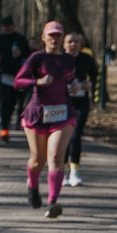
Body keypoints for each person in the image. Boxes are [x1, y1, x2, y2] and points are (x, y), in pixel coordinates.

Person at [14, 21, 77, 218]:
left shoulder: (68, 60)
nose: (55, 39)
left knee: (56, 157)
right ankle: (32, 186)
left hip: (63, 113)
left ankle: (53, 202)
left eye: (58, 35)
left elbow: (70, 81)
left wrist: (75, 87)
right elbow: (18, 81)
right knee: (37, 160)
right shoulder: (37, 57)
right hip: (37, 114)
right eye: (51, 35)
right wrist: (37, 81)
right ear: (44, 37)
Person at [63, 32, 98, 186]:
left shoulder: (86, 59)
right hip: (61, 102)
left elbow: (95, 75)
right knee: (62, 137)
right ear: (64, 44)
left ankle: (74, 171)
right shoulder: (59, 59)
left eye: (76, 41)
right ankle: (62, 171)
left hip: (80, 102)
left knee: (76, 135)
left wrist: (90, 84)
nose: (73, 44)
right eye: (70, 41)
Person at [0, 16, 30, 142]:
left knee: (12, 102)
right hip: (2, 75)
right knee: (4, 101)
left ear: (13, 26)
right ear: (2, 27)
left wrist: (21, 54)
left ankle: (8, 122)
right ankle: (4, 130)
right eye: (5, 26)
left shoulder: (20, 39)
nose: (7, 28)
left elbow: (28, 54)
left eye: (9, 25)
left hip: (17, 75)